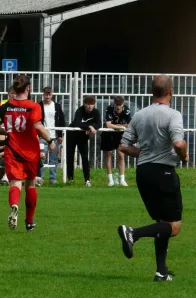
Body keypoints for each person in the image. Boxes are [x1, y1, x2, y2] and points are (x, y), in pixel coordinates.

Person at [117, 75, 187, 282]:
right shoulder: (173, 115)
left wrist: (146, 153)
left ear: (151, 92)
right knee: (173, 227)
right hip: (163, 173)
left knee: (161, 222)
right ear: (171, 92)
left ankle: (161, 272)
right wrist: (184, 156)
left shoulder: (140, 115)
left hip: (143, 172)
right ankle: (133, 233)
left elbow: (123, 146)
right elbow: (179, 144)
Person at [0, 75, 55, 231]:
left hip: (12, 151)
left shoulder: (3, 106)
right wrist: (50, 141)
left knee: (15, 183)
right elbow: (38, 126)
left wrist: (7, 130)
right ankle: (29, 221)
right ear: (28, 88)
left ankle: (14, 205)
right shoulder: (33, 106)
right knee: (31, 184)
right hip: (30, 152)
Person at [66, 96, 101, 187]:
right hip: (72, 134)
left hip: (83, 137)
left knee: (85, 157)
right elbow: (77, 122)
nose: (90, 106)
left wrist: (93, 127)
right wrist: (89, 127)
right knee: (70, 156)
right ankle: (70, 179)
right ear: (84, 104)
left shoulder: (96, 112)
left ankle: (87, 180)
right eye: (88, 104)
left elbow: (99, 123)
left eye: (92, 104)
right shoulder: (79, 110)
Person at [38, 87, 65, 184]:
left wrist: (61, 135)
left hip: (55, 136)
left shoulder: (57, 106)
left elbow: (61, 120)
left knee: (54, 159)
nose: (47, 96)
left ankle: (52, 178)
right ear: (43, 94)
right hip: (42, 136)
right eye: (46, 94)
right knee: (41, 157)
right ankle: (40, 178)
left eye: (49, 94)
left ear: (52, 94)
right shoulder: (39, 105)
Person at [103, 96, 132, 187]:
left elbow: (129, 125)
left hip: (120, 135)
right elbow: (108, 125)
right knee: (108, 155)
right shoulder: (109, 108)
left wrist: (115, 125)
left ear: (123, 104)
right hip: (108, 134)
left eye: (120, 105)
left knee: (121, 155)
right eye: (116, 105)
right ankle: (110, 180)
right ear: (114, 104)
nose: (118, 107)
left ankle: (122, 180)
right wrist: (121, 126)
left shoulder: (126, 110)